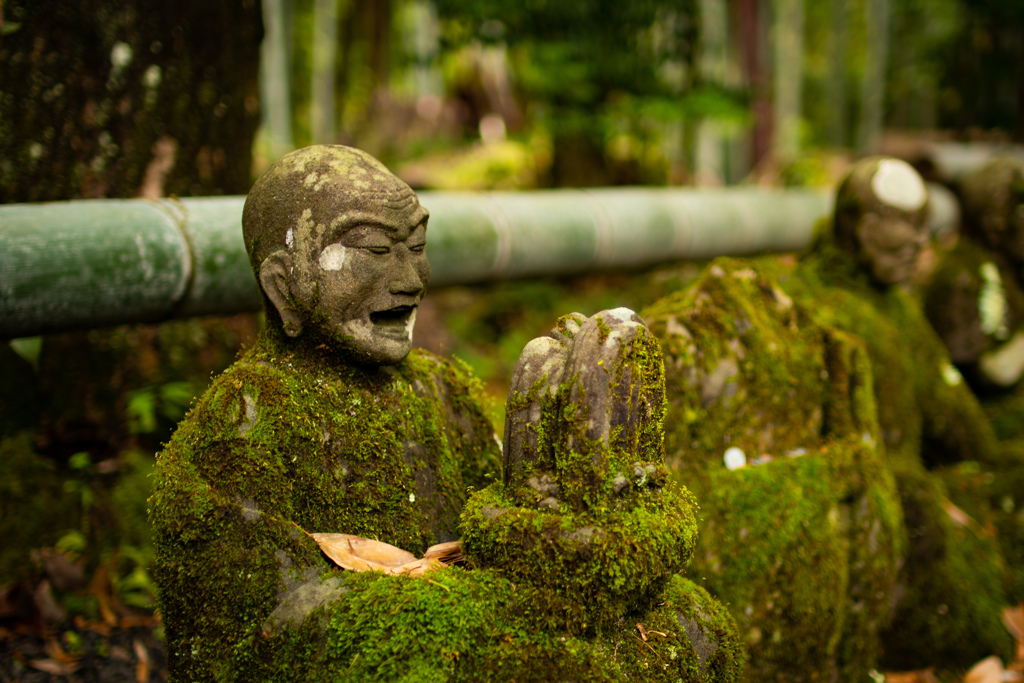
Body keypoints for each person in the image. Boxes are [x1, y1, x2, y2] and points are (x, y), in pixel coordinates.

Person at [150, 145, 741, 681]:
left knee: (695, 626)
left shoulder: (442, 393)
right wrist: (462, 614)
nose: (410, 279)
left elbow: (495, 528)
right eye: (376, 250)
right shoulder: (245, 422)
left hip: (476, 615)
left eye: (417, 248)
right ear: (283, 286)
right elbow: (265, 623)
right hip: (411, 645)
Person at [787, 157, 1012, 670]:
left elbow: (955, 417)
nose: (916, 246)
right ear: (859, 230)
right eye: (899, 233)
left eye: (921, 231)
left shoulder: (900, 310)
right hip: (882, 502)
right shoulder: (822, 306)